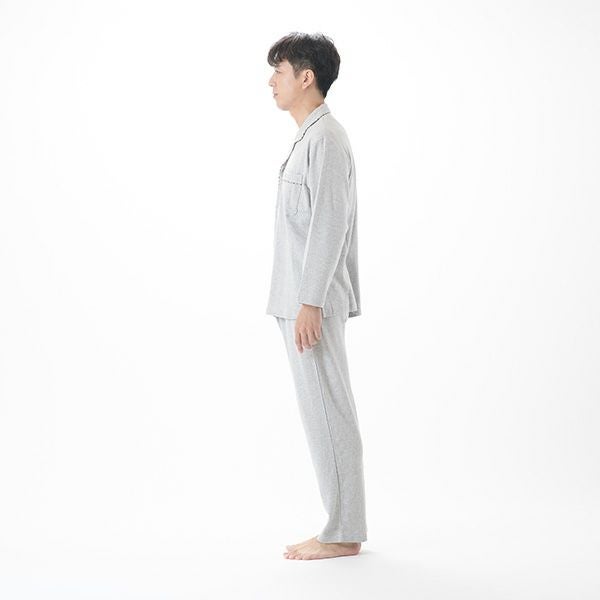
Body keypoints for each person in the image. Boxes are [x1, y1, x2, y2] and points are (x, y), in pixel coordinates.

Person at [265, 32, 367, 560]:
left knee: (329, 412)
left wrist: (309, 302)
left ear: (307, 77)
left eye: (279, 71)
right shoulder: (310, 137)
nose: (271, 81)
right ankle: (341, 525)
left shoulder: (325, 139)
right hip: (300, 302)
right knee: (321, 413)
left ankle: (342, 532)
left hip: (312, 306)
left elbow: (329, 225)